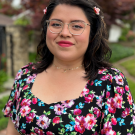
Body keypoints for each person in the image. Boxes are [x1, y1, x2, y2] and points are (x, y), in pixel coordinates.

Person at [2, 0, 135, 134]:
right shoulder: (25, 75)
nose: (64, 33)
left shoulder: (110, 82)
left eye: (77, 26)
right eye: (56, 24)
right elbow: (11, 132)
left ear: (92, 33)